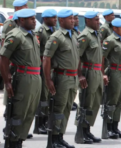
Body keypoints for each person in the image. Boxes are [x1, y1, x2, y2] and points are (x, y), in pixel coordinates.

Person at [43, 9, 87, 148]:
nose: (73, 21)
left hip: (72, 77)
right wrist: (48, 80)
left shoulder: (73, 36)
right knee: (58, 108)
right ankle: (54, 139)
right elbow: (46, 58)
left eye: (73, 18)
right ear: (61, 21)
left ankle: (60, 136)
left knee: (67, 108)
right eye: (70, 19)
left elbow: (77, 58)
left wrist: (79, 75)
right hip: (61, 77)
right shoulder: (56, 37)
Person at [0, 9, 41, 147]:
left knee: (30, 112)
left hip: (35, 77)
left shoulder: (32, 35)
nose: (35, 21)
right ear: (22, 20)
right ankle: (13, 141)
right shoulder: (16, 35)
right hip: (23, 77)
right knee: (19, 112)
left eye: (35, 18)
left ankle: (20, 140)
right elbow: (3, 58)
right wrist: (7, 82)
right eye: (31, 19)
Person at [75, 11, 104, 144]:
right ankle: (80, 133)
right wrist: (80, 75)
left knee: (95, 102)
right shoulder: (85, 36)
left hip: (97, 72)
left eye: (98, 19)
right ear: (87, 21)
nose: (98, 22)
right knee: (86, 103)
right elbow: (77, 57)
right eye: (95, 20)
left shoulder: (96, 35)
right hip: (89, 72)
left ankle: (87, 130)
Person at [102, 18, 121, 139]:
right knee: (112, 100)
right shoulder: (110, 41)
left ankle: (115, 126)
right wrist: (103, 74)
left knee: (120, 100)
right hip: (115, 72)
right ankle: (108, 128)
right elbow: (102, 58)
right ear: (115, 29)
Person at [34, 9, 57, 135]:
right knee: (43, 96)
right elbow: (37, 50)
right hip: (42, 67)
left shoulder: (53, 30)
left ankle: (46, 121)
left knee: (48, 95)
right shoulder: (41, 31)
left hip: (51, 67)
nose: (55, 20)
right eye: (53, 18)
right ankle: (39, 124)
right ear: (46, 19)